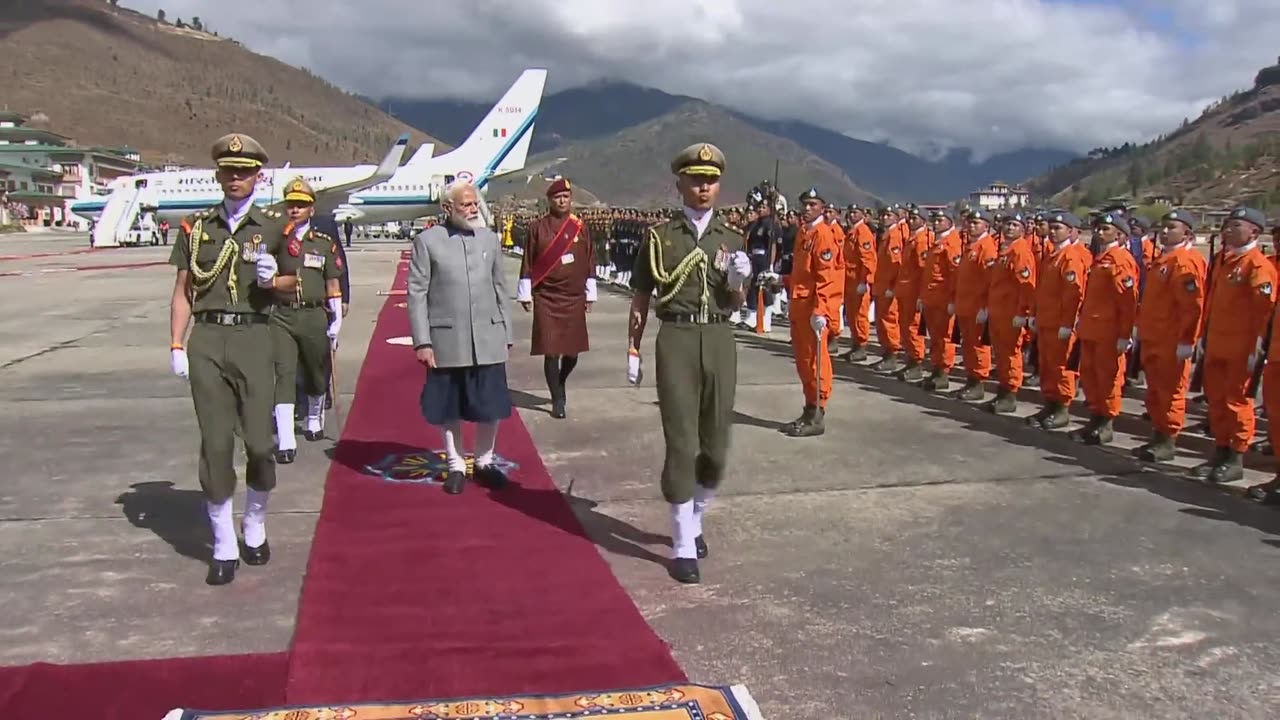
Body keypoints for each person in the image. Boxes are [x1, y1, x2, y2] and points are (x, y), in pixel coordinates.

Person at [167, 133, 289, 586]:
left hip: (255, 336)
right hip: (209, 338)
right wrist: (177, 344)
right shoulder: (196, 227)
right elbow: (183, 291)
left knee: (260, 443)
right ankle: (223, 540)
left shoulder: (274, 226)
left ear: (258, 175)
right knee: (216, 444)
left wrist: (275, 280)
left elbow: (297, 284)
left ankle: (254, 521)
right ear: (218, 174)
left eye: (245, 171)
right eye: (228, 171)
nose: (236, 178)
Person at [627, 142, 749, 584]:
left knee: (715, 447)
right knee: (681, 442)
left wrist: (739, 281)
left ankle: (696, 515)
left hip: (718, 335)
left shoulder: (732, 239)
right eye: (696, 180)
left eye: (711, 180)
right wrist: (633, 348)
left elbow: (736, 303)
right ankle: (681, 541)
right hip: (677, 335)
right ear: (679, 183)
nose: (703, 187)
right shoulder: (660, 237)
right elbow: (642, 293)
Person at [407, 180, 514, 495]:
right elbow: (417, 294)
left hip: (487, 336)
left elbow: (500, 288)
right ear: (447, 208)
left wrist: (506, 330)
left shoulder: (490, 240)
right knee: (449, 407)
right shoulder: (428, 241)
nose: (472, 208)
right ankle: (455, 465)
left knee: (491, 404)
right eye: (465, 204)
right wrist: (422, 341)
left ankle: (484, 461)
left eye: (474, 203)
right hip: (447, 339)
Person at [269, 177, 344, 462]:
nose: (295, 210)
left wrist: (336, 321)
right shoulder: (276, 241)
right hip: (282, 315)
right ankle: (286, 440)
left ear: (312, 210)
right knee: (284, 372)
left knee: (315, 370)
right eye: (291, 205)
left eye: (301, 205)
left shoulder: (323, 244)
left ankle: (314, 415)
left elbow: (332, 285)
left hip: (314, 314)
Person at [516, 177, 596, 419]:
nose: (562, 200)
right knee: (551, 350)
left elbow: (590, 259)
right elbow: (528, 260)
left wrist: (590, 293)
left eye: (566, 197)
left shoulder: (580, 228)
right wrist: (525, 292)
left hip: (573, 298)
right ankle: (557, 399)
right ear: (550, 200)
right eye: (558, 197)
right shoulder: (537, 228)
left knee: (572, 352)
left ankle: (560, 382)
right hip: (547, 298)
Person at [785, 187, 845, 437]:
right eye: (804, 204)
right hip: (799, 306)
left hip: (812, 308)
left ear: (822, 207)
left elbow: (826, 277)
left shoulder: (822, 235)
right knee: (803, 361)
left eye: (812, 204)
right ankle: (809, 408)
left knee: (815, 362)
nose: (807, 208)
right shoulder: (804, 232)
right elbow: (803, 274)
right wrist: (781, 279)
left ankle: (818, 411)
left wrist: (821, 310)